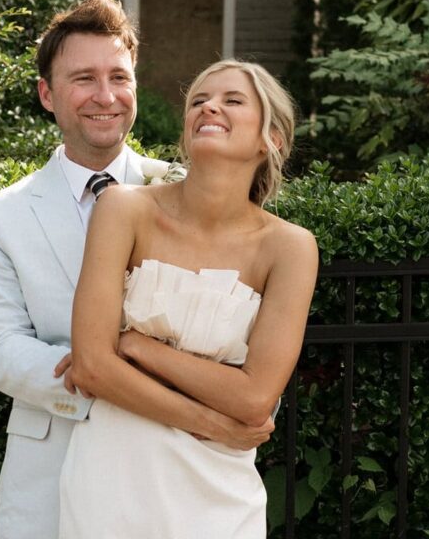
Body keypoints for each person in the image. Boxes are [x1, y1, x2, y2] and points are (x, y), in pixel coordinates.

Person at [0, 0, 275, 539]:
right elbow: (0, 350)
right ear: (47, 94)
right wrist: (106, 377)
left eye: (119, 77)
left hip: (183, 476)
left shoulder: (196, 186)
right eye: (83, 78)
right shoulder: (0, 216)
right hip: (50, 471)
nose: (105, 96)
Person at [59, 58, 319, 539]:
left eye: (232, 100)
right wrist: (212, 422)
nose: (209, 107)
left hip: (221, 490)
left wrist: (138, 347)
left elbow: (255, 397)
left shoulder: (289, 247)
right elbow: (93, 365)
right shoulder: (122, 208)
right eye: (199, 100)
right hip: (112, 479)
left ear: (272, 140)